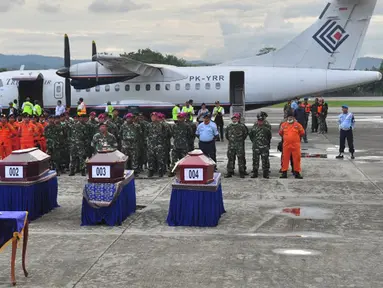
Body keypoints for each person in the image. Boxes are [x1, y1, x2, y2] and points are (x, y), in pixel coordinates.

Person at [279, 112, 305, 179]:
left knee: (296, 159)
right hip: (286, 145)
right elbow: (281, 133)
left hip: (295, 145)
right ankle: (284, 172)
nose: (290, 118)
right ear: (287, 118)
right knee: (285, 159)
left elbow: (302, 133)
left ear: (294, 118)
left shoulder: (298, 125)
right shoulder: (283, 125)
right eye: (289, 117)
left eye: (291, 117)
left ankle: (297, 173)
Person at [168, 112, 192, 177]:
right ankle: (172, 171)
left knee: (184, 160)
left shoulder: (187, 126)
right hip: (176, 145)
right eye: (178, 117)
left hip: (184, 146)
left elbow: (190, 136)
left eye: (181, 117)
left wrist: (188, 144)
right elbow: (172, 134)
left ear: (184, 118)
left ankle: (184, 172)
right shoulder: (174, 126)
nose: (179, 119)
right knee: (174, 160)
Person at [224, 113, 248, 178]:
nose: (234, 120)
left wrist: (239, 141)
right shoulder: (229, 127)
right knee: (230, 159)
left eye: (236, 119)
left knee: (241, 159)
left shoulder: (242, 126)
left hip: (239, 146)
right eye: (233, 119)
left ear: (238, 119)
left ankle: (242, 172)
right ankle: (230, 171)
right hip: (231, 146)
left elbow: (245, 134)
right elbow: (226, 135)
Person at [249, 113, 272, 178]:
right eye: (259, 121)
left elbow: (269, 136)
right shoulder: (254, 128)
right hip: (256, 147)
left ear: (263, 121)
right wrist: (254, 142)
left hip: (264, 147)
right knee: (255, 160)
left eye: (261, 121)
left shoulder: (266, 129)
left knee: (265, 160)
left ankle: (266, 173)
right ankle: (255, 173)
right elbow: (251, 136)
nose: (260, 122)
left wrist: (266, 143)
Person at [147, 112, 167, 177]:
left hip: (159, 145)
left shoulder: (162, 125)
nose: (153, 118)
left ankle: (160, 172)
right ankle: (151, 172)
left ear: (157, 117)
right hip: (151, 145)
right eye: (152, 117)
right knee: (150, 159)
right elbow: (145, 133)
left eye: (155, 116)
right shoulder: (149, 125)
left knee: (160, 159)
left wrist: (161, 141)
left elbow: (166, 134)